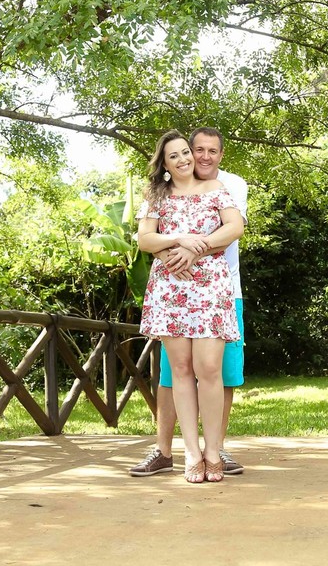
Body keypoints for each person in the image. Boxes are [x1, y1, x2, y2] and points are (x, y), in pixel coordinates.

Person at [130, 126, 248, 480]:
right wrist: (179, 239)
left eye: (186, 152)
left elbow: (234, 228)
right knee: (179, 372)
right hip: (170, 290)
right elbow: (144, 239)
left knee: (209, 370)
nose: (184, 159)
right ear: (164, 164)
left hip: (211, 287)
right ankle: (191, 453)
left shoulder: (216, 188)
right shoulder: (157, 195)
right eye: (175, 155)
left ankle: (214, 450)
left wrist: (196, 247)